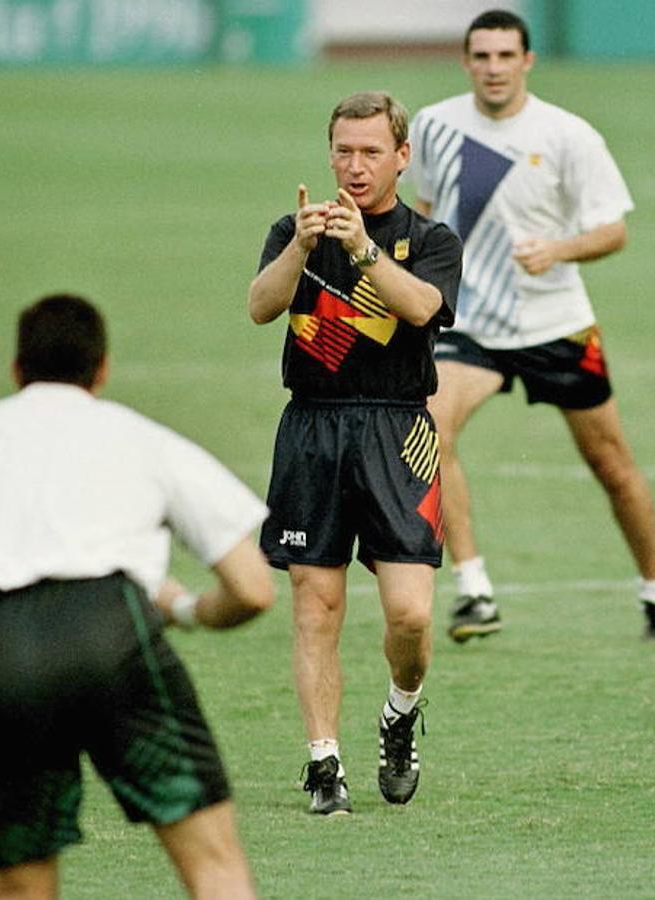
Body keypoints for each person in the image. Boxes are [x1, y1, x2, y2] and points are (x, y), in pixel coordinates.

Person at [0, 293, 276, 899]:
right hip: (109, 633)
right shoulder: (143, 439)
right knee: (214, 865)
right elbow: (253, 589)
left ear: (17, 371)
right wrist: (180, 609)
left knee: (19, 889)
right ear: (102, 369)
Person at [408, 8, 655, 643]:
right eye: (482, 56)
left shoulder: (568, 135)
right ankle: (474, 590)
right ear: (466, 61)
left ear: (527, 60)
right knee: (429, 427)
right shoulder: (434, 126)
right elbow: (424, 211)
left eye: (506, 56)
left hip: (556, 322)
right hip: (470, 322)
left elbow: (614, 230)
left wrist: (557, 250)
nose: (494, 68)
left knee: (611, 462)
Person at [247, 92, 461, 815]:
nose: (355, 165)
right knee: (316, 602)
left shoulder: (430, 239)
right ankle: (323, 763)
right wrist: (304, 247)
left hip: (399, 433)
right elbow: (261, 305)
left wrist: (362, 248)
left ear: (402, 157)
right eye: (344, 150)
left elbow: (423, 308)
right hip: (312, 429)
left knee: (410, 614)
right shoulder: (294, 229)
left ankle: (400, 713)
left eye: (372, 151)